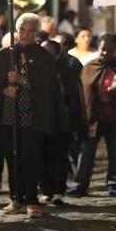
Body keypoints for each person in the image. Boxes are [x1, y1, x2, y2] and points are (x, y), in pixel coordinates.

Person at [0, 13, 63, 218]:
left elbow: (48, 88)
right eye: (22, 30)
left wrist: (23, 81)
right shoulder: (4, 54)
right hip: (8, 116)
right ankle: (16, 197)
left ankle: (31, 199)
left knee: (31, 157)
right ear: (16, 31)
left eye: (30, 31)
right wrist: (4, 90)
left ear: (36, 33)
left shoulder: (44, 57)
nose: (26, 34)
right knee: (12, 157)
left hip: (33, 117)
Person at [68, 34, 116, 197]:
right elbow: (83, 91)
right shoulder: (90, 67)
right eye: (102, 49)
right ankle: (81, 183)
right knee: (87, 152)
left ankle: (113, 182)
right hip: (93, 118)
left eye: (109, 50)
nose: (105, 53)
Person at [40, 40, 80, 205]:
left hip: (61, 121)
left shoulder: (66, 70)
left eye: (49, 52)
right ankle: (46, 190)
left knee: (59, 158)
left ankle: (58, 190)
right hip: (41, 120)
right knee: (42, 157)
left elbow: (73, 97)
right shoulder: (36, 68)